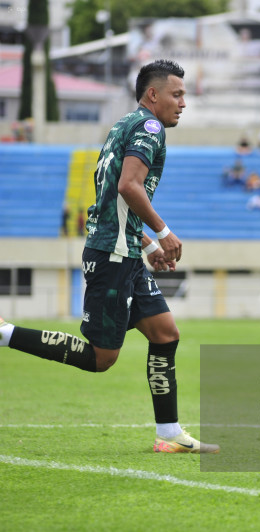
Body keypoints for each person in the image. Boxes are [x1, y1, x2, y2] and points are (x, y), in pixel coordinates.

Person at [0, 60, 219, 453]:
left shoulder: (124, 124)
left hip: (126, 249)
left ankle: (169, 434)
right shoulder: (149, 128)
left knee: (165, 333)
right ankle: (4, 332)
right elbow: (129, 185)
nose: (183, 103)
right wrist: (163, 234)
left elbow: (112, 194)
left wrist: (146, 245)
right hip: (113, 253)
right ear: (153, 95)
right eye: (177, 94)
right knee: (101, 358)